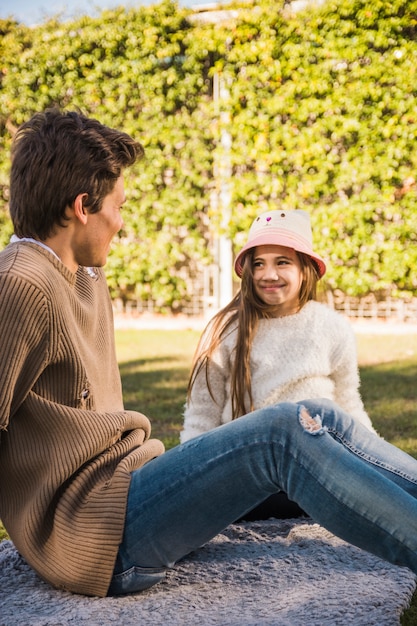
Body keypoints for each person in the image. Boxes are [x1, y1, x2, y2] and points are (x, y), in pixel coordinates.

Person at [1, 109, 417, 601]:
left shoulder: (86, 274)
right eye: (119, 205)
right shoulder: (21, 283)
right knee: (283, 435)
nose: (122, 221)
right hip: (95, 535)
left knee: (315, 415)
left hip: (130, 491)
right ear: (81, 208)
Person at [181, 209, 375, 519]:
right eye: (258, 263)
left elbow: (349, 405)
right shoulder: (226, 331)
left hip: (317, 468)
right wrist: (190, 477)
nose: (267, 274)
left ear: (305, 268)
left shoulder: (331, 327)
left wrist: (375, 460)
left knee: (389, 486)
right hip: (248, 473)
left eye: (282, 262)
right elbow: (202, 413)